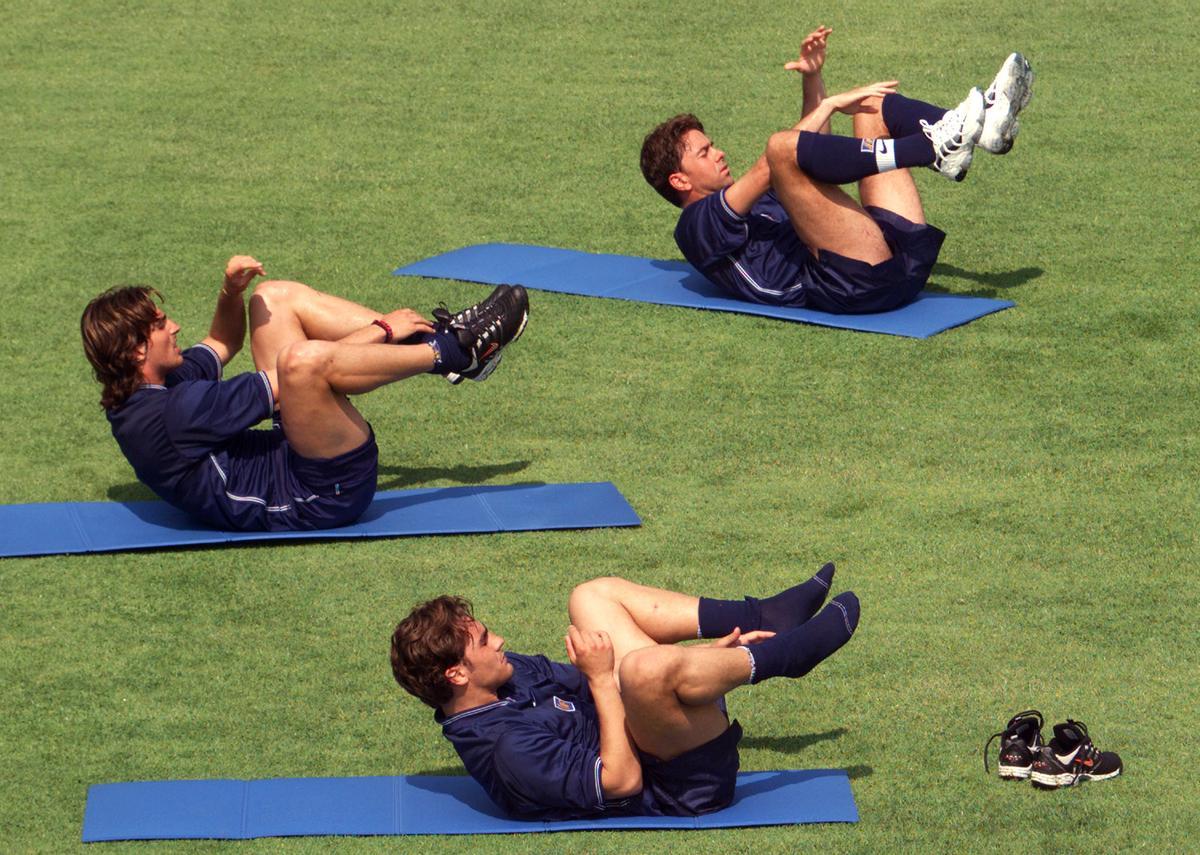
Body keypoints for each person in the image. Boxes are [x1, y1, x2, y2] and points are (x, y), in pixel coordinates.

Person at [80, 256, 529, 531]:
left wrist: (230, 292)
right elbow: (293, 376)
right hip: (320, 495)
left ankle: (446, 345)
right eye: (161, 325)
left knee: (273, 297)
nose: (174, 327)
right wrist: (383, 330)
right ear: (138, 348)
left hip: (296, 457)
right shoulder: (174, 415)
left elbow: (222, 343)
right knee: (298, 363)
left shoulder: (155, 382)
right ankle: (449, 350)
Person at [390, 565, 859, 819]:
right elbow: (621, 781)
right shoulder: (508, 749)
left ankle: (762, 619)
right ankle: (786, 658)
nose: (500, 642)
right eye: (485, 640)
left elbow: (610, 679)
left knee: (590, 597)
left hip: (653, 721)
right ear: (456, 675)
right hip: (681, 783)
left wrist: (702, 660)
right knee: (640, 670)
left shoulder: (509, 677)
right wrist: (600, 678)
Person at [640, 28, 1034, 314]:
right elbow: (775, 159)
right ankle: (930, 147)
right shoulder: (695, 228)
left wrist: (813, 79)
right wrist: (827, 106)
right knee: (779, 147)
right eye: (705, 152)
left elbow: (812, 153)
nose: (719, 152)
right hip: (854, 286)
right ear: (680, 180)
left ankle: (985, 129)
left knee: (871, 106)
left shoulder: (757, 200)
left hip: (897, 263)